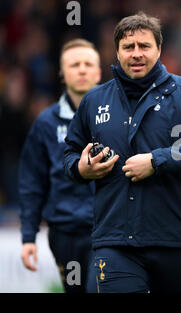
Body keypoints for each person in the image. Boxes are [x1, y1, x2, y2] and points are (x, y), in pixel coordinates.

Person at [63, 12, 181, 293]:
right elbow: (69, 154)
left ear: (159, 49)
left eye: (144, 46)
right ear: (117, 51)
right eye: (128, 47)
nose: (136, 54)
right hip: (114, 242)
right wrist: (81, 168)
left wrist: (156, 160)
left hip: (176, 241)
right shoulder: (94, 100)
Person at [18, 39, 102, 293]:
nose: (82, 69)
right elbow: (32, 182)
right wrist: (28, 236)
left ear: (99, 72)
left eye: (88, 64)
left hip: (110, 230)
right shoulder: (45, 123)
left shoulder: (118, 118)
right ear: (62, 74)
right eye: (74, 64)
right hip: (66, 233)